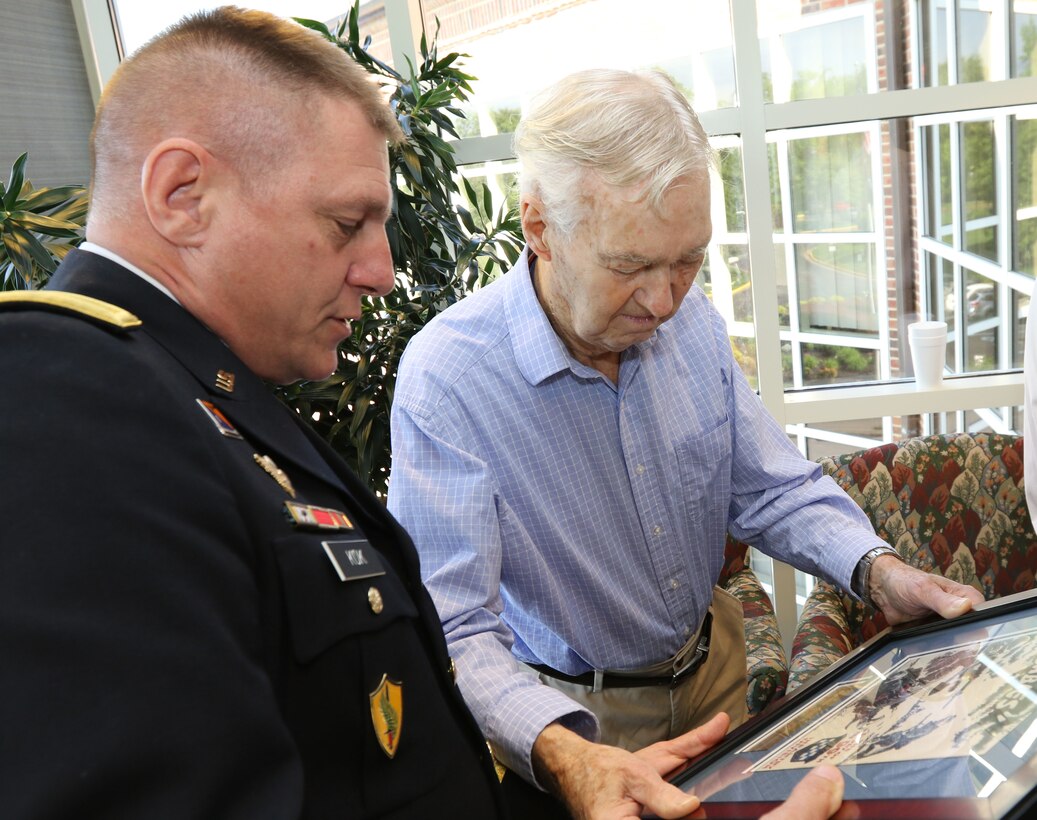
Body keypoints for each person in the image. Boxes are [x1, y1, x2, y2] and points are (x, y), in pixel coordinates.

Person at [0, 9, 849, 820]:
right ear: (182, 194)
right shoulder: (62, 400)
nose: (379, 270)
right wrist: (560, 752)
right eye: (346, 223)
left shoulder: (202, 399)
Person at [387, 68, 985, 794]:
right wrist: (566, 752)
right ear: (539, 228)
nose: (664, 300)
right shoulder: (448, 378)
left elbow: (770, 487)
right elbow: (453, 628)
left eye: (687, 261)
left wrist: (879, 572)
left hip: (716, 672)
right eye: (630, 265)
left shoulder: (691, 319)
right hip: (581, 723)